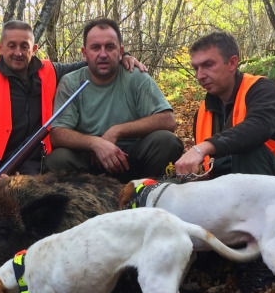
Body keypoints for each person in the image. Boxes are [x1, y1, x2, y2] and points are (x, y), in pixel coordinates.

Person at [0, 20, 146, 174]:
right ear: (0, 48)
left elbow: (93, 61)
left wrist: (123, 56)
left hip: (40, 166)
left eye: (25, 46)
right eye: (11, 46)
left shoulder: (50, 71)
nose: (18, 52)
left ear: (34, 48)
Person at [44, 18, 183, 182]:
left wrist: (116, 131)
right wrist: (95, 143)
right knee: (57, 159)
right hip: (89, 164)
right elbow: (58, 134)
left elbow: (167, 120)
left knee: (166, 141)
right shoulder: (71, 82)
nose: (103, 54)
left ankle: (149, 194)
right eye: (95, 48)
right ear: (84, 53)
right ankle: (86, 203)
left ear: (120, 51)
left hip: (131, 158)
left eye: (110, 47)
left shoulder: (136, 77)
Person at [174, 30, 275, 180]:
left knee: (247, 150)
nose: (200, 76)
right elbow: (212, 166)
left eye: (208, 65)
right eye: (196, 68)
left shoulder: (263, 88)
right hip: (232, 187)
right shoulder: (203, 111)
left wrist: (202, 148)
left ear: (232, 63)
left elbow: (258, 127)